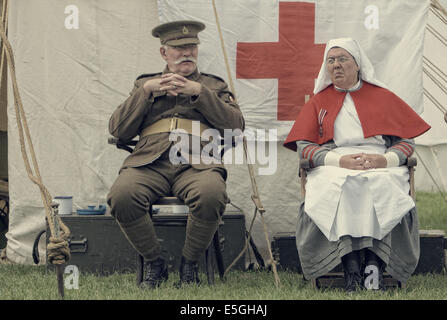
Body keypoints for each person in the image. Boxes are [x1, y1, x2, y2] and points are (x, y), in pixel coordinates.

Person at [283, 38, 430, 292]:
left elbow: (407, 141)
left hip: (380, 160)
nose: (336, 65)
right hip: (334, 161)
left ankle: (374, 267)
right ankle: (351, 268)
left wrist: (385, 159)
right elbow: (304, 146)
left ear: (358, 64)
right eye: (331, 60)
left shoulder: (382, 97)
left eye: (342, 59)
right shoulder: (319, 101)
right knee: (340, 185)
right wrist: (339, 160)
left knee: (382, 184)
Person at [107, 20, 245, 288]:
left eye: (191, 47)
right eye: (179, 48)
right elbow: (119, 130)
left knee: (211, 194)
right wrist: (147, 92)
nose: (187, 53)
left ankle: (189, 264)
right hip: (149, 162)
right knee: (121, 195)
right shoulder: (144, 85)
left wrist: (200, 93)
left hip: (197, 163)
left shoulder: (212, 85)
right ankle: (154, 262)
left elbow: (236, 127)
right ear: (164, 53)